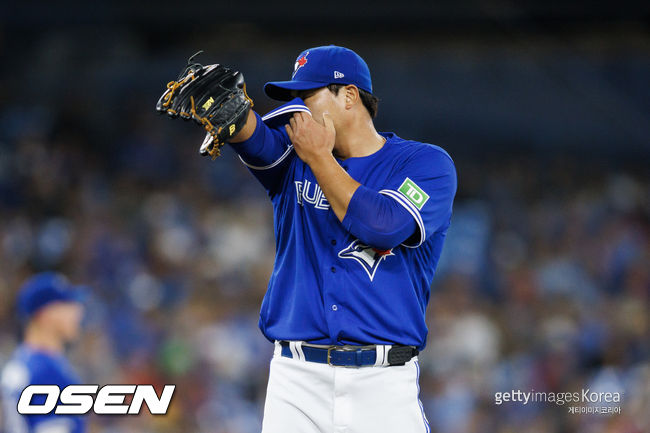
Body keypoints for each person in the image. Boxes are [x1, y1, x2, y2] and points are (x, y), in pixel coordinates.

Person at [215, 44, 456, 433]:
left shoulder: (425, 163)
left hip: (382, 383)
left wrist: (320, 159)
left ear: (349, 95)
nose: (300, 108)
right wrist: (229, 114)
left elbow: (384, 226)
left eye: (309, 95)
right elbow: (254, 136)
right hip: (296, 379)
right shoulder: (295, 155)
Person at [1, 272, 87, 433]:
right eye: (68, 304)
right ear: (46, 313)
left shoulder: (22, 363)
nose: (78, 311)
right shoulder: (46, 373)